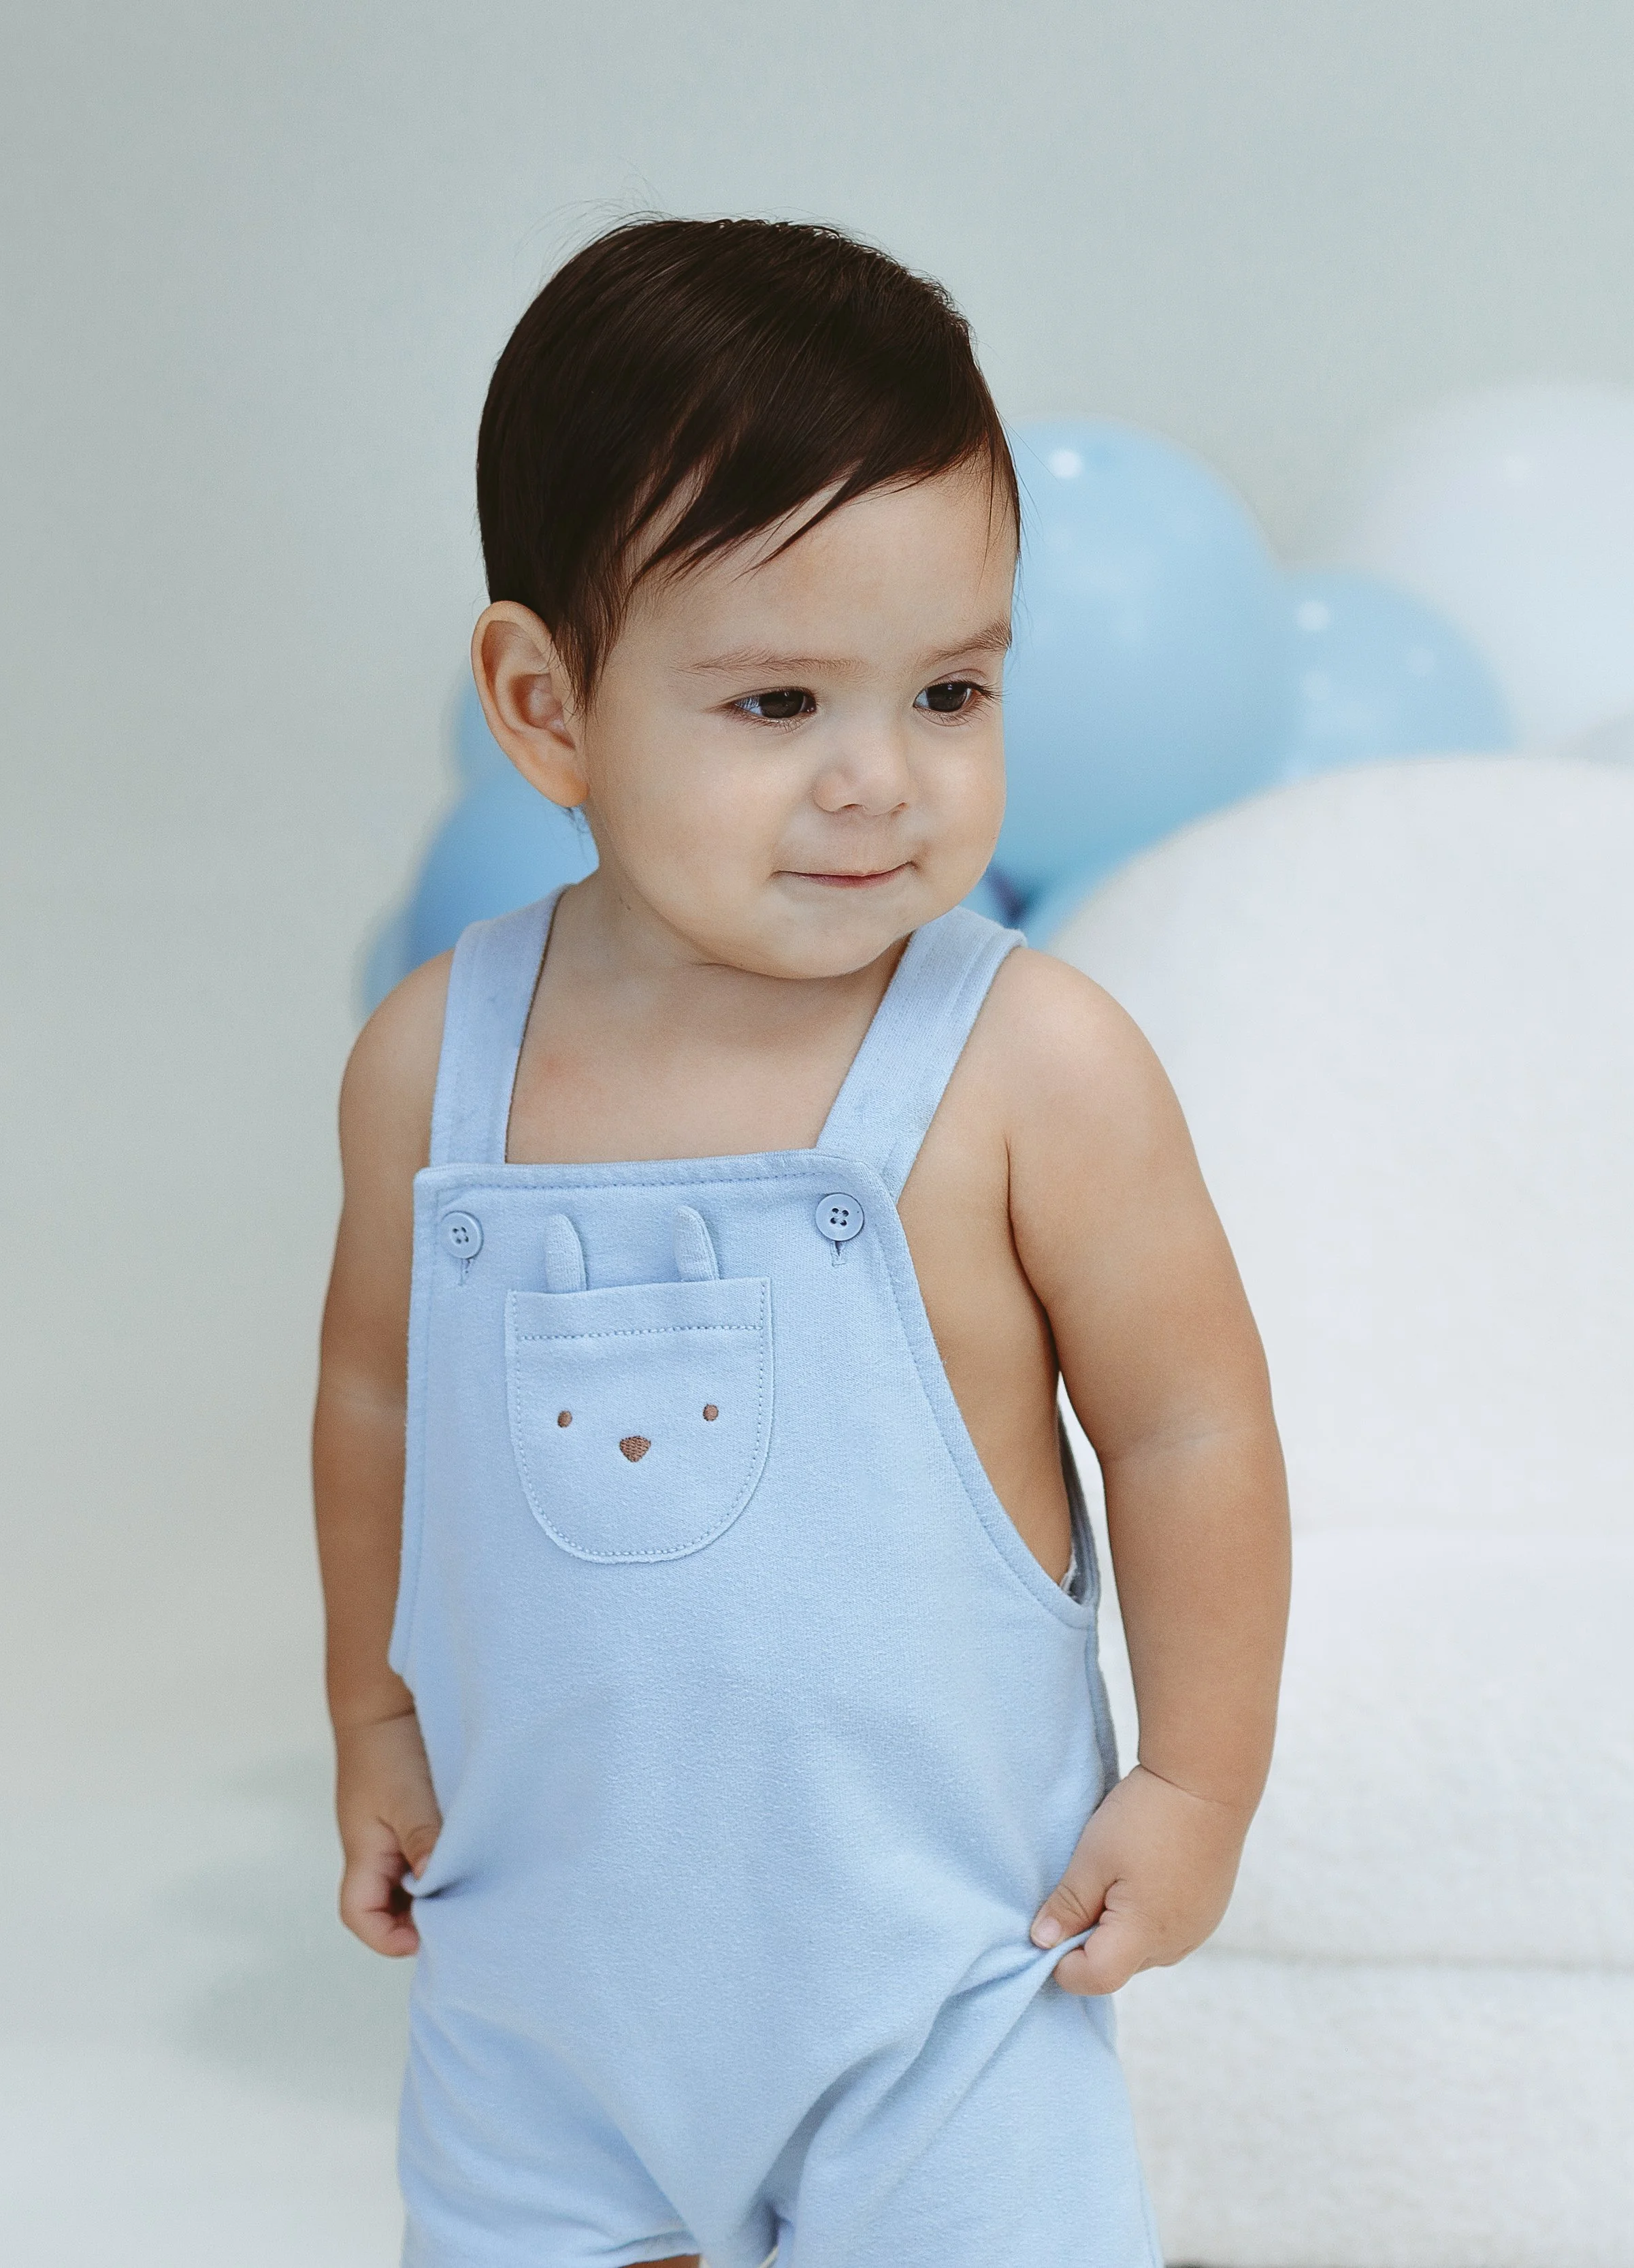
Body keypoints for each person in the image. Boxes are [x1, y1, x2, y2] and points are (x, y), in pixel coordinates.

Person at [313, 216, 1290, 2268]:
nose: (881, 778)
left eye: (949, 687)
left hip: (931, 1977)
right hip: (542, 1983)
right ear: (545, 703)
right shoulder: (442, 1062)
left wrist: (1192, 1784)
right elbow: (379, 1400)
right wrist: (378, 1723)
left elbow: (1192, 1428)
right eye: (774, 701)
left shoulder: (1031, 1064)